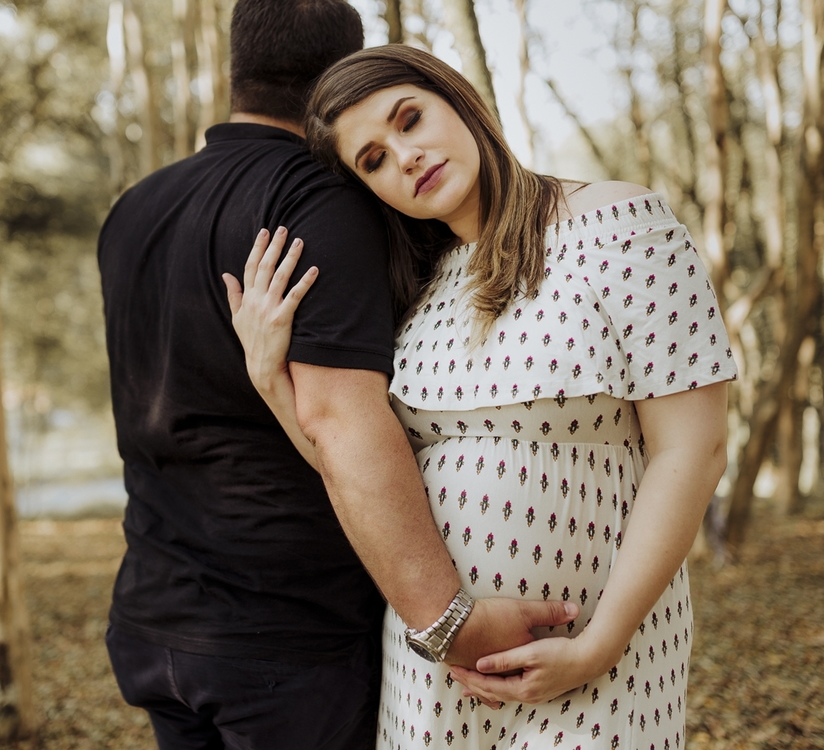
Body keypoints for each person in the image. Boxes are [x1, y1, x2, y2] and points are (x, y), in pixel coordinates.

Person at [222, 45, 736, 750]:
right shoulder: (414, 289)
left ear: (458, 98)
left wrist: (602, 643)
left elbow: (694, 449)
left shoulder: (621, 222)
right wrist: (269, 379)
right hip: (436, 672)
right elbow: (369, 476)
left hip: (594, 656)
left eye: (410, 119)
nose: (405, 157)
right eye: (373, 160)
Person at [97, 4, 575, 748]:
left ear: (237, 66)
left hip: (152, 621)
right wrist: (449, 622)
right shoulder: (316, 200)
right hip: (288, 638)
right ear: (338, 82)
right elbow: (342, 421)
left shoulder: (133, 210)